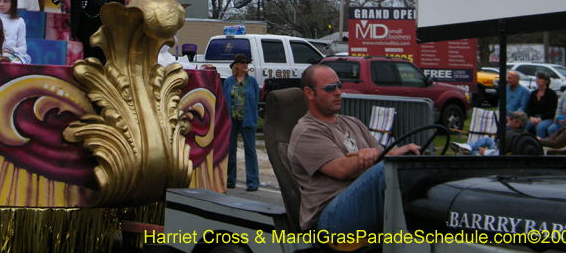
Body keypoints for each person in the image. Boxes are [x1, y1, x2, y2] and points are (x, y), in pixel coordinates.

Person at [288, 65, 420, 235]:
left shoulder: (353, 122)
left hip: (359, 206)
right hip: (330, 216)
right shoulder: (306, 131)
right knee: (385, 172)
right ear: (309, 93)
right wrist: (370, 157)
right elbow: (341, 169)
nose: (338, 92)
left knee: (414, 165)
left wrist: (403, 151)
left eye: (339, 86)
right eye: (329, 88)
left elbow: (382, 154)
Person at [223, 53, 260, 192]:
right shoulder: (228, 82)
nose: (245, 65)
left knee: (250, 151)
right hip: (231, 119)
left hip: (247, 119)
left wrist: (253, 116)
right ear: (236, 65)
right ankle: (229, 180)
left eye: (247, 63)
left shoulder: (252, 82)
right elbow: (223, 99)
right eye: (242, 62)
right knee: (231, 150)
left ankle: (252, 182)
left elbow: (255, 101)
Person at [451, 111, 528, 155]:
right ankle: (467, 147)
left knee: (473, 153)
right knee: (488, 140)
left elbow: (497, 154)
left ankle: (468, 148)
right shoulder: (526, 136)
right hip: (506, 156)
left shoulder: (509, 136)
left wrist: (485, 152)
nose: (508, 119)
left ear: (518, 124)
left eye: (511, 118)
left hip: (495, 159)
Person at [526, 71, 558, 138]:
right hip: (534, 117)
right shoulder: (533, 93)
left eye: (540, 79)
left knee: (540, 127)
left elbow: (551, 110)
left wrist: (540, 119)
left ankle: (540, 145)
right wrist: (531, 117)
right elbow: (529, 107)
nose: (537, 80)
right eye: (537, 78)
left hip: (546, 118)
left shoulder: (552, 94)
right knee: (524, 125)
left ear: (546, 81)